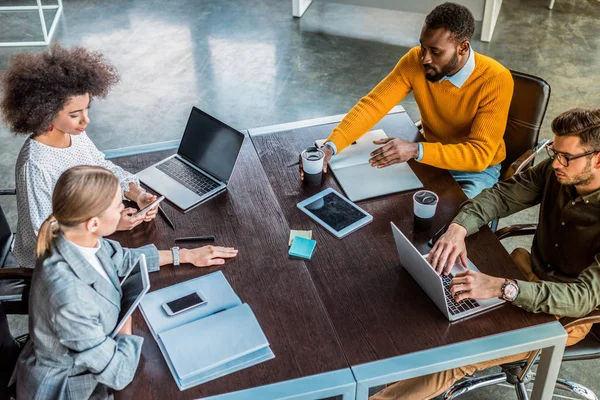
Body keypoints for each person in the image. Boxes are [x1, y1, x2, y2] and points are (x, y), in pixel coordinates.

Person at [371, 107, 600, 399]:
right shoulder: (557, 171)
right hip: (528, 273)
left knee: (457, 359)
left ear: (597, 158)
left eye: (565, 157)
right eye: (553, 152)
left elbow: (581, 298)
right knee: (439, 296)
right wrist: (458, 229)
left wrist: (502, 287)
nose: (556, 163)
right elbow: (501, 196)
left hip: (566, 314)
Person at [10, 165, 238, 400]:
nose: (124, 210)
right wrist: (126, 315)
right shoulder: (69, 297)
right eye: (118, 206)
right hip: (72, 388)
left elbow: (124, 258)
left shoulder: (74, 237)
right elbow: (119, 374)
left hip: (91, 354)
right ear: (94, 223)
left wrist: (185, 255)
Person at [304, 2, 513, 199]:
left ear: (463, 47)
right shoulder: (415, 61)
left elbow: (479, 154)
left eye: (436, 52)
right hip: (428, 156)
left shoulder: (495, 79)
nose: (425, 59)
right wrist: (330, 147)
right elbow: (373, 104)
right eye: (423, 47)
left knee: (451, 225)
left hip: (474, 172)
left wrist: (415, 150)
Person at [0, 44, 159, 269]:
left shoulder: (73, 135)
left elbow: (101, 167)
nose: (86, 120)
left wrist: (137, 194)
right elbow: (45, 234)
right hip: (55, 264)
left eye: (87, 109)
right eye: (75, 114)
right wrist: (109, 225)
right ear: (46, 113)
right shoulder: (36, 165)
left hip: (90, 233)